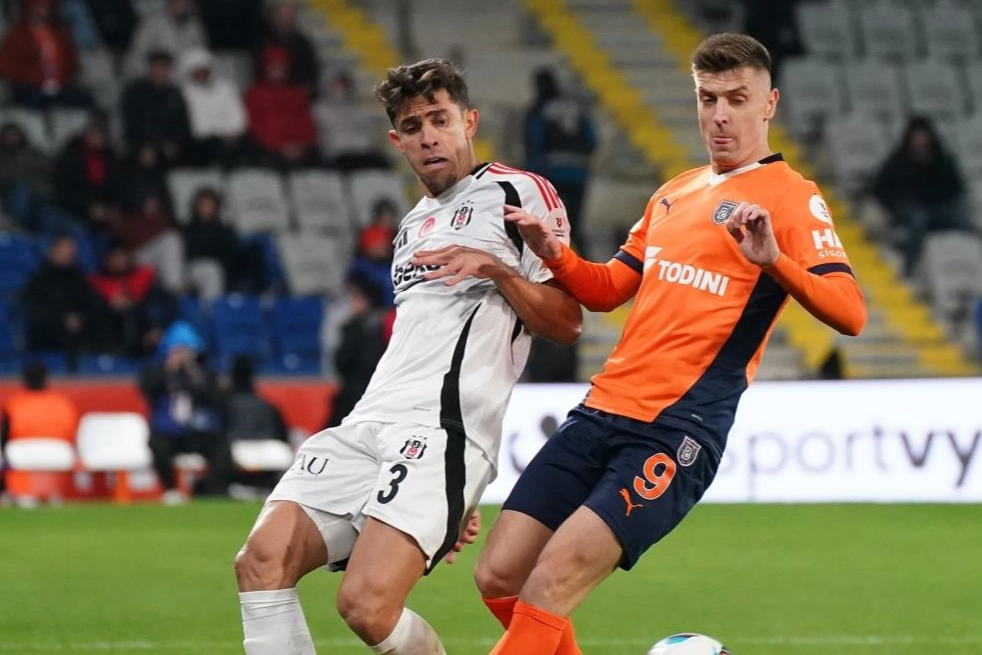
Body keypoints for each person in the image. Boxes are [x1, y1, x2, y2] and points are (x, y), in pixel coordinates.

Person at [476, 33, 868, 655]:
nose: (720, 114)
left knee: (551, 584)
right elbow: (608, 290)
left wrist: (774, 261)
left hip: (675, 430)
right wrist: (555, 254)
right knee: (498, 574)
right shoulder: (674, 192)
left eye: (737, 99)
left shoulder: (794, 197)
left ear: (769, 104)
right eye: (708, 98)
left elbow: (851, 313)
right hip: (599, 412)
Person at [233, 57, 582, 655]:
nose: (429, 137)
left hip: (443, 430)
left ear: (469, 122)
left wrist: (496, 270)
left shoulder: (515, 192)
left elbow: (568, 323)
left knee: (366, 607)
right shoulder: (411, 226)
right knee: (260, 561)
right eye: (413, 126)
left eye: (440, 119)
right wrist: (451, 500)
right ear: (397, 142)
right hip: (367, 423)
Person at [139, 320, 230, 504]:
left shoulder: (204, 372)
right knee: (157, 444)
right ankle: (171, 490)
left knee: (222, 449)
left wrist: (196, 376)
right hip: (168, 431)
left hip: (197, 430)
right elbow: (147, 390)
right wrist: (169, 369)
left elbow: (217, 398)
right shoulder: (156, 370)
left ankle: (208, 490)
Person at [871, 115, 973, 278]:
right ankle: (910, 267)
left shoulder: (942, 159)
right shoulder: (898, 160)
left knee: (963, 222)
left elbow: (956, 187)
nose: (921, 140)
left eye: (924, 135)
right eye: (917, 136)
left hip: (938, 208)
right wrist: (897, 204)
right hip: (910, 210)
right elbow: (880, 188)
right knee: (918, 219)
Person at [523, 67, 596, 255]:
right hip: (578, 174)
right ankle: (587, 264)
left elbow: (535, 140)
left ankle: (545, 265)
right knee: (574, 226)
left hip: (549, 173)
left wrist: (531, 171)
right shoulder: (577, 108)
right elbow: (591, 140)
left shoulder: (540, 109)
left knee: (546, 224)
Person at [324, 272, 390, 429]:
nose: (350, 303)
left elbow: (344, 362)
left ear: (366, 299)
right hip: (366, 395)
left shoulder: (367, 328)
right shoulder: (361, 325)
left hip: (364, 397)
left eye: (354, 297)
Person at [0, 0, 92, 110]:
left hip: (61, 87)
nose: (41, 11)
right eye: (37, 8)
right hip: (30, 89)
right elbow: (8, 67)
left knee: (85, 101)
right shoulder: (18, 34)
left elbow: (71, 63)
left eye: (45, 7)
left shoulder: (61, 34)